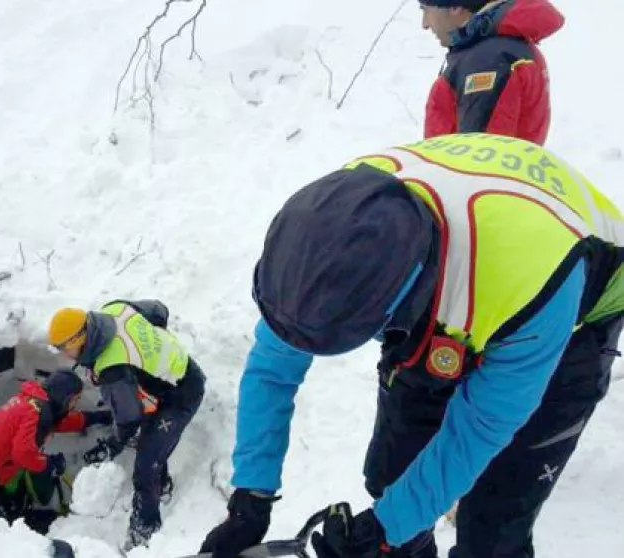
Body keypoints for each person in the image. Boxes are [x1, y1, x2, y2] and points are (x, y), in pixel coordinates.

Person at [199, 133, 624, 558]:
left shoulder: (529, 282)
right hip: (466, 258)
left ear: (399, 302)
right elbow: (273, 369)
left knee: (493, 521)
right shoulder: (326, 236)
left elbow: (479, 429)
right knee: (393, 474)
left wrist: (385, 528)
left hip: (573, 308)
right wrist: (250, 498)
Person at [48, 300, 206, 550]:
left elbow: (129, 418)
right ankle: (161, 486)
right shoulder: (115, 310)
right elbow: (159, 310)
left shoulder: (113, 370)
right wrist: (155, 351)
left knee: (145, 464)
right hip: (180, 368)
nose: (62, 354)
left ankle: (145, 531)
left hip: (181, 394)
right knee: (150, 440)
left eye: (62, 348)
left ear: (78, 340)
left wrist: (114, 444)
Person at [0, 369, 113, 533]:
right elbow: (22, 453)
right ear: (63, 397)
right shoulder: (37, 411)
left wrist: (100, 418)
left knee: (7, 522)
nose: (75, 405)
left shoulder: (34, 403)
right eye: (74, 400)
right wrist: (48, 464)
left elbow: (62, 422)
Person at [420, 0, 564, 144]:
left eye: (425, 10)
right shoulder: (500, 50)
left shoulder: (487, 61)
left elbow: (479, 154)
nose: (424, 24)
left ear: (455, 7)